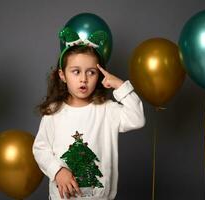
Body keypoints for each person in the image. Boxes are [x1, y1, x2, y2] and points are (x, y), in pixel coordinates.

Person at [33, 27, 145, 200]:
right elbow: (41, 149)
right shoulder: (54, 113)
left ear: (99, 76)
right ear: (63, 75)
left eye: (91, 72)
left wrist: (120, 85)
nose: (83, 79)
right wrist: (57, 171)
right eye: (76, 71)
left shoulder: (107, 110)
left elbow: (137, 118)